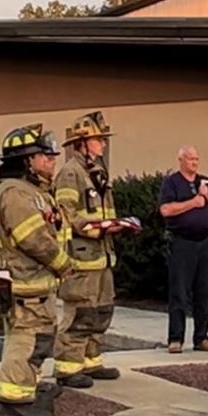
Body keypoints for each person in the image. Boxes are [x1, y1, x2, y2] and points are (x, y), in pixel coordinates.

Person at [0, 124, 74, 416]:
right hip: (23, 286)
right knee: (26, 340)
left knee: (38, 338)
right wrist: (64, 263)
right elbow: (35, 239)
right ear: (26, 161)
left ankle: (29, 386)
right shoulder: (15, 193)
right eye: (44, 155)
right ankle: (15, 402)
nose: (52, 159)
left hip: (35, 285)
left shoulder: (34, 192)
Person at [52, 111, 127, 388]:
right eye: (99, 140)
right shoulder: (70, 173)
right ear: (83, 143)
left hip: (102, 255)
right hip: (82, 257)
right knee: (81, 312)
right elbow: (67, 213)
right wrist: (100, 227)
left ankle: (91, 361)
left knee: (102, 309)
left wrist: (116, 225)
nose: (103, 145)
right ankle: (67, 367)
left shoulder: (96, 171)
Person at [158, 146, 208, 353]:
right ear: (181, 160)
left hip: (204, 241)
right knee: (179, 291)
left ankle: (201, 337)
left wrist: (207, 197)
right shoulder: (172, 182)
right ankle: (176, 338)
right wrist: (192, 203)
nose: (194, 163)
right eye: (190, 159)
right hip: (182, 242)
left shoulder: (204, 181)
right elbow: (166, 209)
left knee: (205, 291)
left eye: (197, 159)